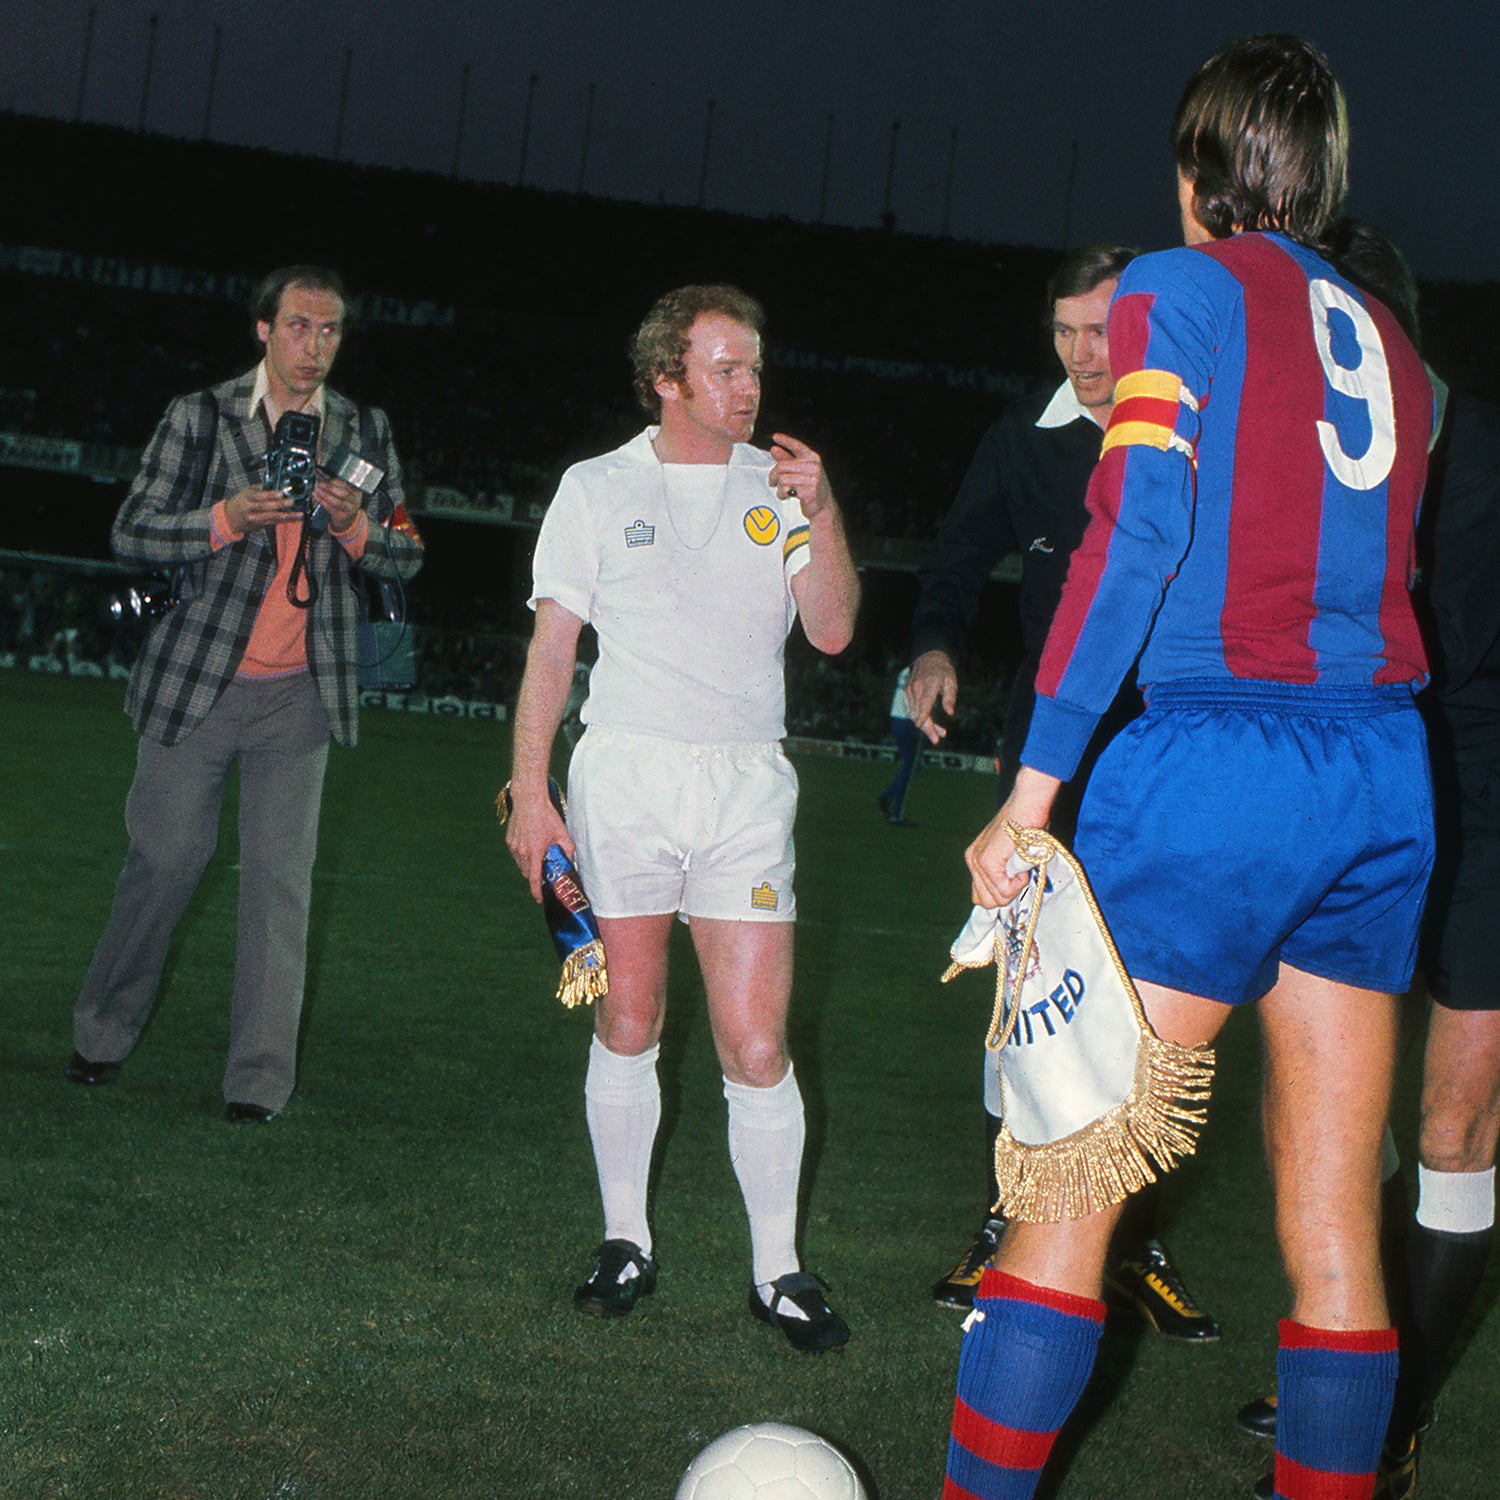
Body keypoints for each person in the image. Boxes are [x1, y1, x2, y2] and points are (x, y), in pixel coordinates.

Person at [942, 36, 1434, 1500]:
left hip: (1223, 766)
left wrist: (1033, 794)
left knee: (1062, 1195)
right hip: (1382, 776)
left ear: (1196, 169)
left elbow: (1139, 529)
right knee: (1339, 1231)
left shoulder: (1182, 288)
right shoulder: (1397, 344)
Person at [505, 284, 860, 1352]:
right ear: (668, 378)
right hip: (625, 780)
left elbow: (835, 632)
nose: (750, 388)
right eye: (726, 368)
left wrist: (827, 510)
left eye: (754, 367)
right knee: (630, 1019)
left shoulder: (783, 484)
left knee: (756, 1044)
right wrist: (532, 792)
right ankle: (626, 1239)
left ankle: (779, 1270)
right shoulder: (596, 487)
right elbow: (553, 650)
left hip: (747, 784)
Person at [911, 243, 1217, 1341]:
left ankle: (1130, 1241)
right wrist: (936, 649)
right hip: (1045, 760)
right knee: (1027, 996)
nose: (1086, 357)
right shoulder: (1021, 442)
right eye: (1067, 333)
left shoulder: (1193, 429)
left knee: (1151, 1006)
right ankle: (1009, 1221)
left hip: (1173, 760)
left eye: (1105, 332)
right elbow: (952, 561)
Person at [1235, 222, 1498, 1499]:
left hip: (1492, 822)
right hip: (1370, 802)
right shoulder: (1318, 457)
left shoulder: (1483, 452)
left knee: (1453, 1130)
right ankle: (1343, 1374)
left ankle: (1386, 1423)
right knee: (1323, 1129)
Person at [68, 265, 424, 1122]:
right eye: (300, 326)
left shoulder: (365, 430)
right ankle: (102, 1030)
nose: (316, 346)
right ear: (263, 331)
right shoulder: (199, 415)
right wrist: (228, 515)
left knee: (279, 885)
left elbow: (407, 550)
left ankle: (258, 1085)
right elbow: (133, 529)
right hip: (197, 683)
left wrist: (354, 525)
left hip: (303, 694)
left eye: (331, 330)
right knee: (165, 862)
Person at [876, 665, 923, 825]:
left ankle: (887, 797)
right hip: (908, 721)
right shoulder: (918, 672)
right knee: (911, 767)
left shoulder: (906, 670)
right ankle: (896, 814)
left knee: (911, 766)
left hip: (898, 719)